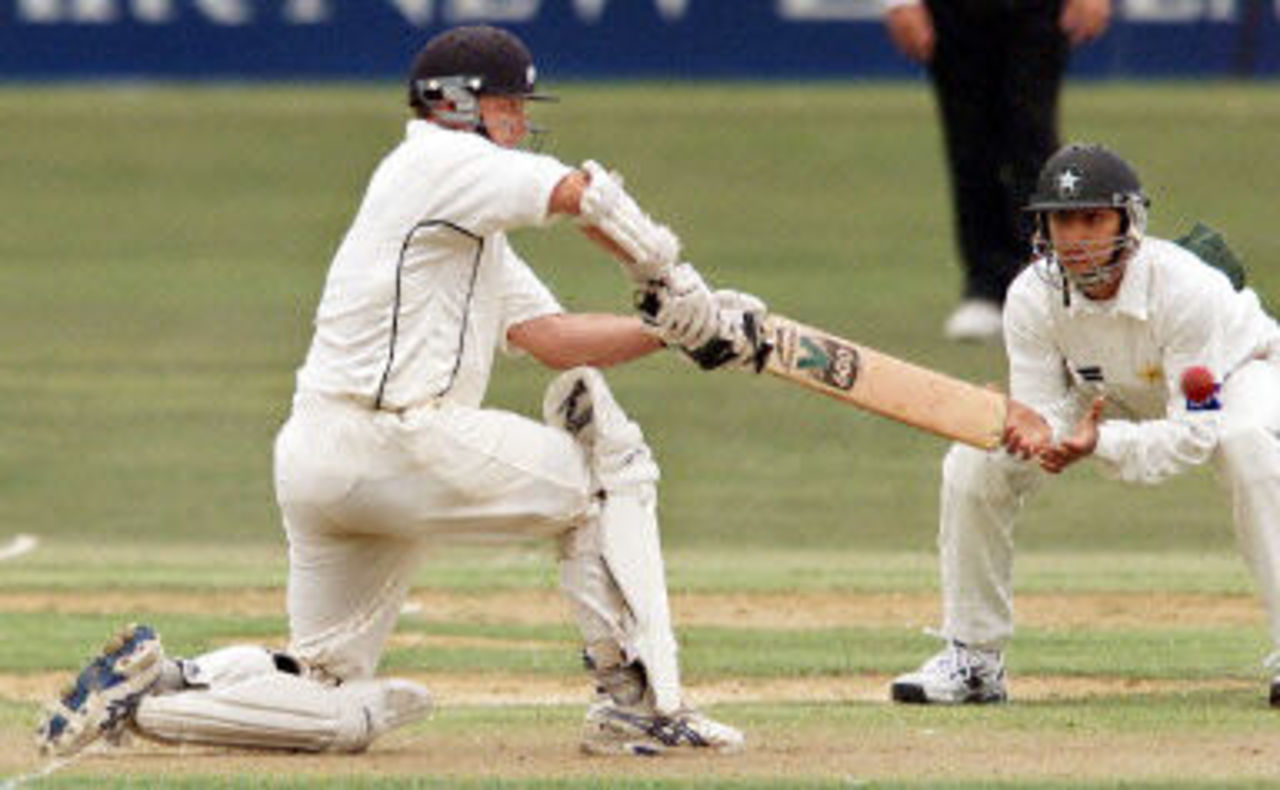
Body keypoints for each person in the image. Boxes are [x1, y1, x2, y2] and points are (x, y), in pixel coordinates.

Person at [36, 24, 765, 759]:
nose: (519, 121)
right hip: (400, 441)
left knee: (325, 688)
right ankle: (636, 707)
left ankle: (156, 693)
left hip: (322, 457)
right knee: (611, 473)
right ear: (460, 105)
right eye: (509, 104)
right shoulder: (448, 161)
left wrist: (672, 332)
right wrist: (675, 283)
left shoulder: (453, 210)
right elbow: (583, 193)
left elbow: (551, 336)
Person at [890, 143, 1280, 704]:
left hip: (1237, 375)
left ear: (1130, 220)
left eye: (1092, 218)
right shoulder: (1030, 295)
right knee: (975, 456)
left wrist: (1100, 444)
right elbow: (1043, 412)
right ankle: (974, 660)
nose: (1075, 237)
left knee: (1245, 445)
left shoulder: (1187, 288)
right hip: (1102, 391)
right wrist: (1019, 426)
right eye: (1062, 219)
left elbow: (1194, 434)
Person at [882, 0, 1112, 342]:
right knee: (970, 143)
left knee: (1032, 137)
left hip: (1037, 11)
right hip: (953, 14)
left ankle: (1046, 279)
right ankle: (986, 287)